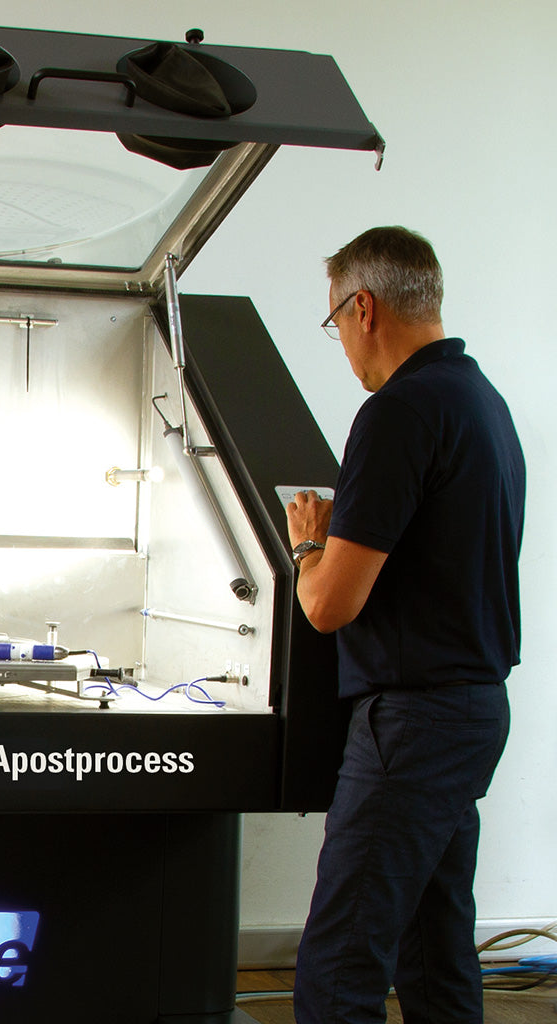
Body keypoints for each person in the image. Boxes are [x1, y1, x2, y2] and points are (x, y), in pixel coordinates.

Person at [285, 226, 525, 1024]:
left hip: (414, 725)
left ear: (363, 308)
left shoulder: (396, 413)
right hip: (473, 712)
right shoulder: (482, 402)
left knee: (339, 967)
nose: (343, 344)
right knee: (435, 954)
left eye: (335, 321)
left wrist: (309, 543)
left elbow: (329, 606)